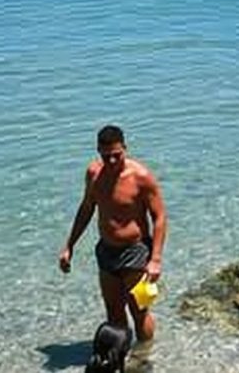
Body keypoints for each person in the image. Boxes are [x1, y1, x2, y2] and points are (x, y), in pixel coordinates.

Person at [59, 125, 167, 342]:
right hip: (106, 251)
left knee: (139, 312)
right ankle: (119, 358)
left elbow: (160, 217)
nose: (111, 161)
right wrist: (69, 245)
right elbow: (87, 208)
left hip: (136, 252)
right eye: (105, 156)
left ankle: (144, 358)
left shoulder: (141, 177)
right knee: (114, 313)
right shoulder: (93, 174)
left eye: (116, 155)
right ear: (98, 150)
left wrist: (155, 259)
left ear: (125, 148)